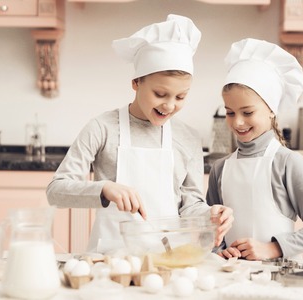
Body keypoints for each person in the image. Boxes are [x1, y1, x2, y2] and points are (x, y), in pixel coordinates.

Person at [47, 14, 233, 254]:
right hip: (111, 259)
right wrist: (104, 189)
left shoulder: (188, 138)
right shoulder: (102, 128)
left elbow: (189, 205)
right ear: (136, 83)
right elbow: (56, 192)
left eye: (180, 97)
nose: (169, 106)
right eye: (160, 94)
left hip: (168, 259)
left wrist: (210, 212)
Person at [206, 38, 303, 260]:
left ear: (271, 110)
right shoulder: (220, 168)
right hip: (232, 275)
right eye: (230, 112)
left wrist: (272, 248)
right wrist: (220, 250)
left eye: (247, 113)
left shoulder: (287, 162)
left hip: (280, 277)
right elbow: (211, 231)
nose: (237, 122)